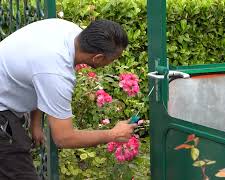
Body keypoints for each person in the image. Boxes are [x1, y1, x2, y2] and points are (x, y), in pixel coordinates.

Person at [0, 18, 137, 179]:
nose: (111, 63)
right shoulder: (56, 72)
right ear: (98, 58)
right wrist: (112, 134)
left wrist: (35, 123)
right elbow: (64, 138)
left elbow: (36, 76)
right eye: (112, 60)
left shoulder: (67, 29)